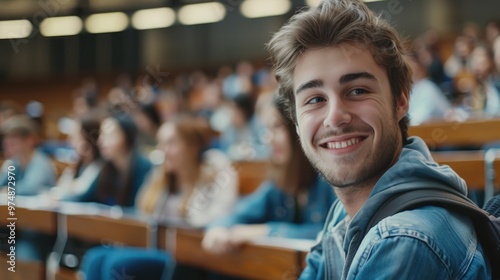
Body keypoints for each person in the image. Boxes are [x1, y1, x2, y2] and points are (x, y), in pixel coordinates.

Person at [267, 0, 491, 279]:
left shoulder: (404, 240)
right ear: (297, 123)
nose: (335, 117)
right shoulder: (344, 214)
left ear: (400, 100)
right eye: (314, 99)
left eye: (358, 90)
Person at [80, 116, 238, 280]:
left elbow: (213, 217)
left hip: (187, 257)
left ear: (193, 146)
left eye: (171, 143)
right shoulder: (161, 177)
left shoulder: (213, 173)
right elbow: (143, 214)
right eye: (161, 143)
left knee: (119, 265)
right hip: (156, 246)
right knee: (95, 258)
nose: (163, 150)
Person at [202, 96, 336, 255]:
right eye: (267, 130)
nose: (268, 139)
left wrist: (266, 231)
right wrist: (218, 229)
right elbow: (239, 213)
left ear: (298, 128)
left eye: (277, 127)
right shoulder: (279, 182)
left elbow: (333, 235)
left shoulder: (331, 178)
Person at [75, 113, 151, 207]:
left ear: (125, 136)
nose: (100, 141)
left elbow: (139, 210)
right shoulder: (107, 168)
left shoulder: (145, 169)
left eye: (109, 135)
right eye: (101, 134)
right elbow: (84, 198)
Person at [50, 114, 103, 200]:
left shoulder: (100, 166)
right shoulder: (79, 164)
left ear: (89, 138)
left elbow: (81, 195)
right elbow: (60, 188)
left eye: (75, 136)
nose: (70, 140)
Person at [0, 114, 56, 195]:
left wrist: (6, 190)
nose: (8, 148)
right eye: (6, 144)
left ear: (30, 140)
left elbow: (30, 188)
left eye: (13, 143)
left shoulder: (41, 163)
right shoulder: (15, 162)